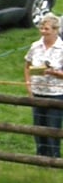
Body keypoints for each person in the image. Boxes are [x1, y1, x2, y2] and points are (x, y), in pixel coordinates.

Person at [24, 13, 63, 158]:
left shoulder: (62, 48)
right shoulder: (35, 46)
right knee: (38, 126)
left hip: (56, 94)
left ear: (55, 30)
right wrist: (28, 84)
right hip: (37, 91)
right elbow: (27, 65)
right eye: (41, 28)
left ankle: (54, 157)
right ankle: (40, 156)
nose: (43, 31)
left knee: (53, 127)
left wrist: (56, 73)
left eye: (46, 29)